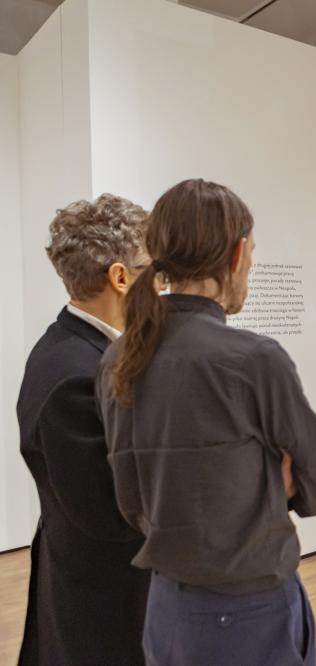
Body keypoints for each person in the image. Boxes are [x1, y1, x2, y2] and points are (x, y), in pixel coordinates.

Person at [95, 179, 316, 666]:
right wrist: (270, 482)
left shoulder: (117, 360)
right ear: (237, 253)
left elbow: (133, 499)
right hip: (250, 613)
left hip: (165, 609)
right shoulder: (254, 360)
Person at [16, 194, 151, 666]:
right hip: (104, 600)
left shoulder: (79, 350)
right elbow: (108, 513)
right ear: (120, 277)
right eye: (153, 270)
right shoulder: (74, 374)